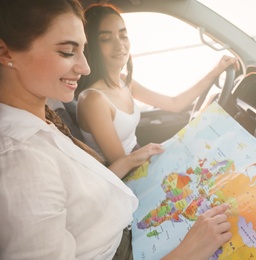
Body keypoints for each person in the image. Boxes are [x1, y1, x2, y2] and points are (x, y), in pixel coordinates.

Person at [0, 0, 232, 259]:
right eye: (67, 51)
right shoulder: (20, 158)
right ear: (6, 53)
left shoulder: (42, 121)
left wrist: (131, 159)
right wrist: (187, 252)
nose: (85, 67)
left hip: (129, 229)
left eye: (83, 50)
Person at [76, 4, 238, 178]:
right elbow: (124, 165)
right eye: (106, 39)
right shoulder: (93, 100)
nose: (120, 45)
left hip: (138, 161)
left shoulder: (123, 81)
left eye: (123, 35)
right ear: (90, 45)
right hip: (126, 179)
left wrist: (215, 71)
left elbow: (175, 104)